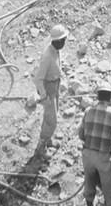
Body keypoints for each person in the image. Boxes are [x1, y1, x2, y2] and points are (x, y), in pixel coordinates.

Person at [78, 82, 111, 206]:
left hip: (87, 155)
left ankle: (89, 202)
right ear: (110, 97)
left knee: (89, 182)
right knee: (109, 189)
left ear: (98, 96)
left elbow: (80, 134)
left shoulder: (88, 111)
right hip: (103, 158)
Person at [31, 24, 67, 156]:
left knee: (53, 114)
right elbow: (38, 79)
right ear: (56, 41)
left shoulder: (56, 50)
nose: (64, 43)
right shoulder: (47, 56)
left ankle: (48, 140)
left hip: (55, 85)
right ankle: (41, 147)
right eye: (62, 41)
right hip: (48, 88)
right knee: (51, 119)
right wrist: (44, 96)